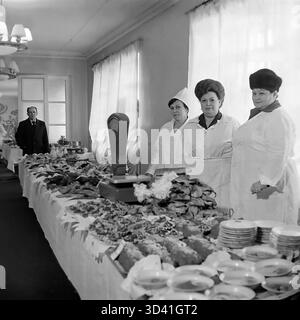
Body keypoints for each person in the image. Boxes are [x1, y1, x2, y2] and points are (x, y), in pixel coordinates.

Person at [230, 68, 300, 224]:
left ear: (275, 94)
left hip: (269, 184)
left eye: (261, 93)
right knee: (252, 224)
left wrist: (264, 180)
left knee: (269, 227)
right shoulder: (262, 114)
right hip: (254, 181)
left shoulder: (279, 117)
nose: (256, 97)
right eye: (254, 93)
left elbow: (278, 153)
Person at [185, 79, 240, 207]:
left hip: (223, 184)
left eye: (212, 100)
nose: (208, 104)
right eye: (204, 100)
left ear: (220, 102)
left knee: (222, 219)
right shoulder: (190, 126)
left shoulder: (232, 124)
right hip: (197, 183)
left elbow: (240, 156)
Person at [146, 88, 193, 176]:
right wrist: (150, 172)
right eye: (172, 108)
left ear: (187, 109)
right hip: (163, 176)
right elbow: (157, 152)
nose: (174, 110)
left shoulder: (194, 129)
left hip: (184, 178)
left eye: (178, 107)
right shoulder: (165, 127)